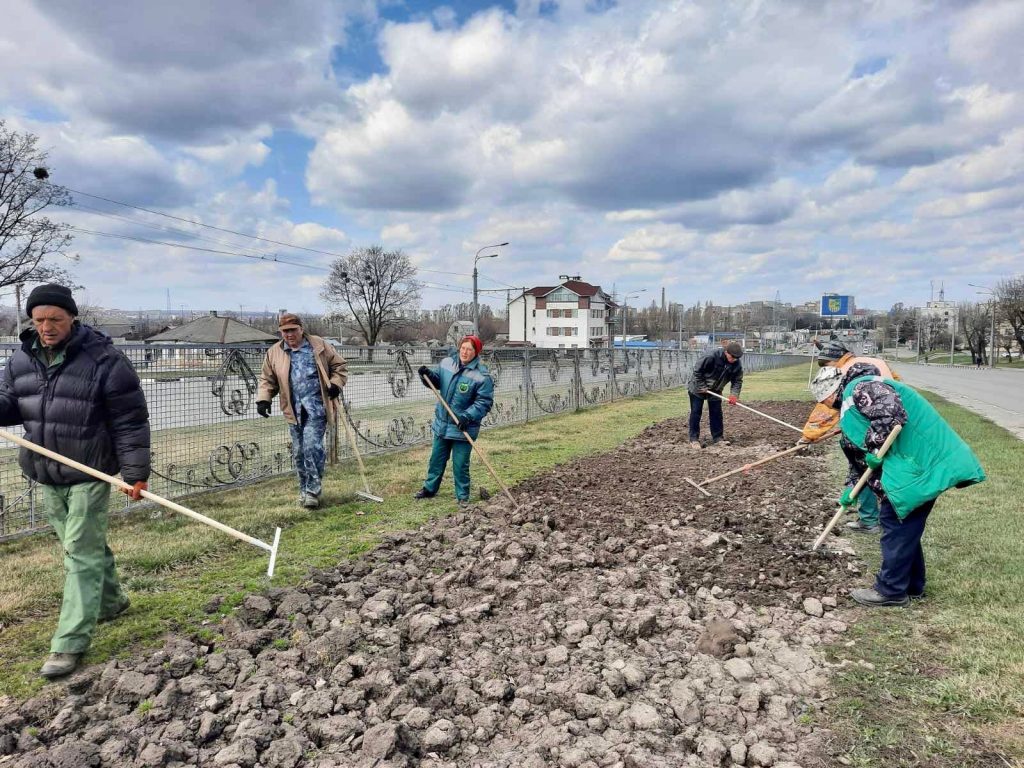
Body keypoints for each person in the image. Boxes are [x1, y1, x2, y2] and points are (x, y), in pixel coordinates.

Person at [0, 284, 150, 679]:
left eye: (55, 319)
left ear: (72, 318)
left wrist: (135, 473)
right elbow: (10, 405)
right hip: (46, 470)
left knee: (78, 554)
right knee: (83, 545)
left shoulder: (105, 361)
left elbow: (129, 420)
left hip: (88, 471)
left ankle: (68, 643)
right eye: (39, 320)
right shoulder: (21, 359)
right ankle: (112, 601)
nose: (46, 327)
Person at [812, 362, 985, 607]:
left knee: (896, 523)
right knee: (905, 526)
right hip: (912, 466)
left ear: (830, 393)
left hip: (920, 464)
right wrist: (853, 488)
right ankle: (912, 585)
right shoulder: (853, 401)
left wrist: (874, 446)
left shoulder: (861, 388)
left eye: (824, 400)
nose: (825, 406)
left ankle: (891, 590)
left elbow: (890, 412)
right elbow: (858, 457)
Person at [800, 340, 899, 533]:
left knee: (867, 466)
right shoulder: (869, 362)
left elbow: (827, 409)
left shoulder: (848, 373)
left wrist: (809, 435)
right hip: (887, 421)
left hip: (879, 427)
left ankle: (872, 520)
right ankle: (877, 518)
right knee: (866, 466)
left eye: (826, 366)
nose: (826, 371)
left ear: (835, 361)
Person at [256, 313, 348, 509]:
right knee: (299, 452)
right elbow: (267, 379)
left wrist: (335, 384)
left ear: (301, 329)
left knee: (312, 447)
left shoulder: (318, 345)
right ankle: (304, 489)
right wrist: (264, 399)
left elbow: (339, 366)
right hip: (293, 409)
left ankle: (313, 492)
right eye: (285, 331)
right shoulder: (275, 352)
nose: (289, 335)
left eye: (292, 330)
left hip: (317, 407)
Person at [414, 335, 494, 505]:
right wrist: (426, 375)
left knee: (460, 464)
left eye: (469, 349)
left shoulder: (482, 376)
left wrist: (467, 416)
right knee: (436, 460)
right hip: (443, 424)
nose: (465, 352)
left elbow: (484, 402)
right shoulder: (447, 363)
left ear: (476, 352)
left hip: (463, 427)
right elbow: (436, 382)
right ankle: (429, 489)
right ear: (459, 348)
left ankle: (462, 496)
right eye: (463, 348)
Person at [687, 341, 743, 447]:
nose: (734, 360)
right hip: (697, 388)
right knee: (696, 412)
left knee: (716, 413)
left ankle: (718, 438)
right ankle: (693, 439)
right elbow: (697, 372)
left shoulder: (736, 364)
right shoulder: (711, 356)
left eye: (736, 358)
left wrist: (734, 395)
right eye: (732, 357)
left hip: (715, 390)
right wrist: (702, 386)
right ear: (726, 352)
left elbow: (737, 381)